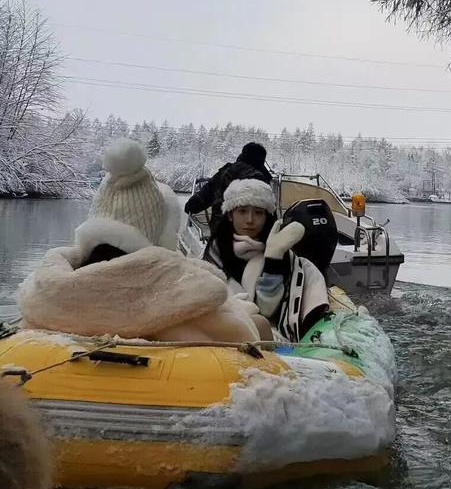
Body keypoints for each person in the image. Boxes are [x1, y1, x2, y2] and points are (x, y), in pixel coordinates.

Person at [18, 139, 271, 343]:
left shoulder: (43, 293)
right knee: (258, 322)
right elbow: (244, 335)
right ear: (155, 226)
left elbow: (200, 199)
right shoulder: (183, 294)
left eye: (257, 213)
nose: (250, 220)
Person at [207, 178, 330, 342]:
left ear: (267, 216)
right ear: (230, 214)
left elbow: (266, 310)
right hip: (222, 332)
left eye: (258, 212)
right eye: (242, 211)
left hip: (268, 334)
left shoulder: (283, 252)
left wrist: (274, 257)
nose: (250, 220)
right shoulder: (214, 252)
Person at [184, 142, 272, 229]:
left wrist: (190, 206)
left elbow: (206, 194)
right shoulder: (262, 180)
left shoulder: (226, 172)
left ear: (243, 155)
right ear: (261, 161)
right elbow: (270, 213)